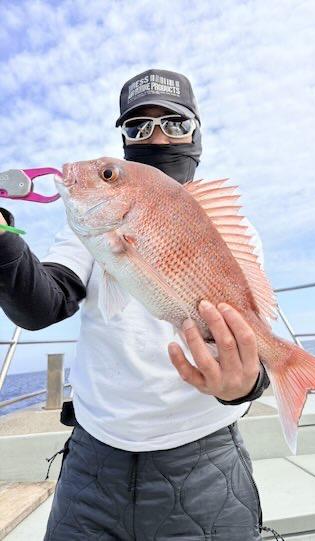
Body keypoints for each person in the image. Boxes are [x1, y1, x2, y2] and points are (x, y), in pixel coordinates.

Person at [0, 69, 271, 540]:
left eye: (175, 123)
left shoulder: (233, 231)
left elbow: (249, 335)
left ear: (196, 134)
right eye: (138, 126)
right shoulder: (94, 220)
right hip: (93, 457)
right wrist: (2, 238)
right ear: (124, 139)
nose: (158, 137)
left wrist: (246, 385)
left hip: (204, 458)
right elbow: (44, 304)